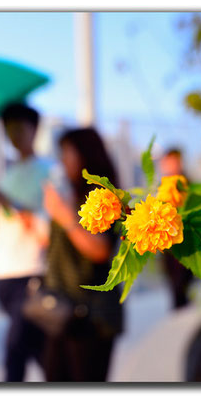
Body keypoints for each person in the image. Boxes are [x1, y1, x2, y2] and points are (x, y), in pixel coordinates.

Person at [41, 127, 124, 381]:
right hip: (62, 312)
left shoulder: (103, 199)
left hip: (92, 316)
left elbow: (100, 250)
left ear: (86, 156)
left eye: (67, 153)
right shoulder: (71, 196)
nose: (62, 160)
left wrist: (65, 218)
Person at [0, 102, 52, 381]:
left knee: (15, 349)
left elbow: (47, 230)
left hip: (31, 272)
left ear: (34, 129)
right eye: (8, 130)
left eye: (19, 128)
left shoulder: (49, 171)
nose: (13, 136)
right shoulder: (7, 176)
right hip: (4, 274)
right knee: (36, 347)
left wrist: (12, 204)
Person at [159, 148, 195, 309]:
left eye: (173, 161)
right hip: (169, 247)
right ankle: (178, 306)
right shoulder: (161, 188)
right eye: (167, 162)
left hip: (186, 242)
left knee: (183, 282)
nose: (169, 165)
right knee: (174, 283)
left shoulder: (187, 185)